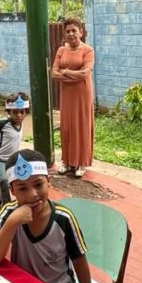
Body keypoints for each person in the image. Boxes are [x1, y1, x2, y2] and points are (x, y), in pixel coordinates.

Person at [0, 149, 106, 283]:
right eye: (22, 188)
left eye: (38, 184)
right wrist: (12, 222)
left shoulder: (64, 218)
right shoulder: (9, 213)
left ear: (48, 182)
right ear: (12, 190)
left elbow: (79, 260)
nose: (32, 194)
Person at [51, 17, 94, 177]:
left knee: (81, 126)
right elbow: (54, 74)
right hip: (67, 94)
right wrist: (69, 75)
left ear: (81, 32)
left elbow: (85, 74)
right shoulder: (61, 50)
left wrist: (66, 72)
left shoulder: (88, 50)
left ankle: (81, 163)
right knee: (67, 126)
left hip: (82, 93)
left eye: (74, 30)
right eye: (68, 31)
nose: (71, 34)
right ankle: (67, 162)